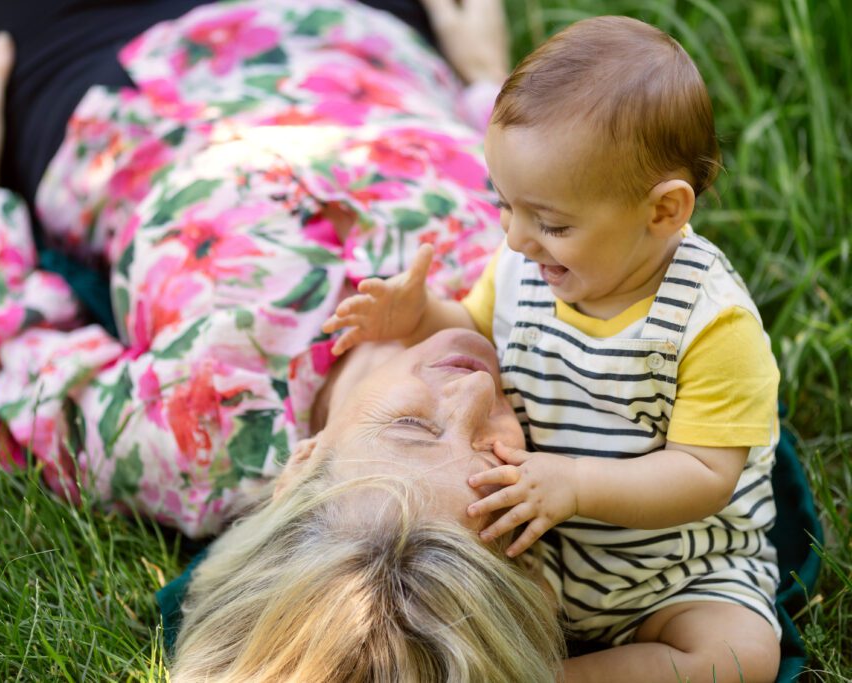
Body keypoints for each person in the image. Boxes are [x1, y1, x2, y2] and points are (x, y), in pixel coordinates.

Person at [0, 0, 568, 680]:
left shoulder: (197, 439)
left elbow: (11, 358)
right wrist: (487, 80)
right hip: (354, 26)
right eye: (496, 459)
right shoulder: (563, 334)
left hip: (111, 62)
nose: (477, 388)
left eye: (417, 427)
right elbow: (535, 196)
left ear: (302, 467)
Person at [323, 15, 782, 682]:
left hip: (677, 568)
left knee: (739, 655)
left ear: (663, 211)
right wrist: (419, 313)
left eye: (551, 222)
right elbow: (481, 328)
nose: (515, 239)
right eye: (506, 206)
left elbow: (705, 475)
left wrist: (577, 482)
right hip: (550, 544)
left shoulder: (711, 325)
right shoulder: (528, 266)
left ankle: (564, 676)